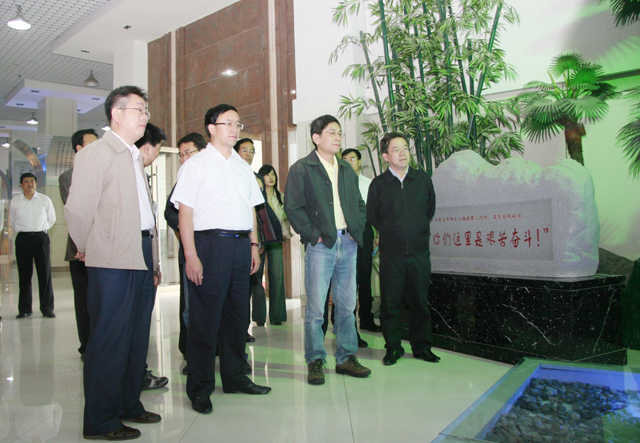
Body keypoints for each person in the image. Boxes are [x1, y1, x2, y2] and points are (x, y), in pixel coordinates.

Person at [65, 85, 161, 440]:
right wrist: (88, 246)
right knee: (109, 339)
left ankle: (128, 404)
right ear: (116, 114)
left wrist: (153, 259)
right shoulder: (97, 153)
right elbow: (78, 210)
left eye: (146, 110)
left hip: (140, 253)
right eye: (139, 109)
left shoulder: (133, 156)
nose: (145, 116)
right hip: (112, 258)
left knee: (135, 336)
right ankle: (101, 420)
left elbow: (143, 212)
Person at [171, 104, 271, 415]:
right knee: (205, 320)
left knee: (238, 317)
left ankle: (235, 377)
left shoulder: (243, 167)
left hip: (241, 246)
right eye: (228, 123)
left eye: (238, 123)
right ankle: (200, 388)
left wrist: (253, 245)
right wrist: (191, 256)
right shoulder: (195, 165)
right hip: (209, 245)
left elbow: (252, 209)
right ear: (211, 128)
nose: (235, 128)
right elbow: (184, 214)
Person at [284, 114, 371, 386]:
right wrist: (313, 235)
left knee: (346, 305)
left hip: (348, 243)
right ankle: (315, 360)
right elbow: (292, 207)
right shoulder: (302, 168)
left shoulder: (345, 169)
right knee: (316, 308)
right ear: (316, 137)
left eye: (339, 133)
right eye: (332, 132)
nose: (337, 137)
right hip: (321, 246)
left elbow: (359, 204)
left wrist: (356, 228)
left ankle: (346, 357)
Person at [366, 132, 440, 366]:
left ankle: (422, 346)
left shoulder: (422, 179)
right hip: (391, 255)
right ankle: (393, 348)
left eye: (405, 148)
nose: (403, 153)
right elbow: (373, 216)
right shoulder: (378, 184)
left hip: (419, 253)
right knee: (391, 303)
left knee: (420, 302)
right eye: (396, 149)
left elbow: (429, 210)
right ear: (385, 156)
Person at [164, 132, 207, 375]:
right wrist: (186, 226)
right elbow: (169, 213)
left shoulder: (214, 175)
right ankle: (193, 355)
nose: (183, 159)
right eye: (180, 155)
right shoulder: (183, 181)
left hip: (217, 250)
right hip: (192, 250)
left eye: (187, 153)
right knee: (191, 306)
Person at [134, 122, 170, 391]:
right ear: (148, 147)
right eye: (158, 150)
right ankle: (133, 375)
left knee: (141, 316)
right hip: (132, 248)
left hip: (145, 247)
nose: (155, 156)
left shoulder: (139, 171)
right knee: (134, 317)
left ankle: (138, 372)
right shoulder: (127, 169)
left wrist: (156, 264)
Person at [59, 129, 98, 357]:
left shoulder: (104, 172)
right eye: (92, 145)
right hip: (79, 249)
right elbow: (77, 212)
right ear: (79, 149)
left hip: (104, 249)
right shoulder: (67, 178)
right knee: (83, 300)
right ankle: (87, 346)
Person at [341, 148, 381, 333]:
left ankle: (366, 319)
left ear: (359, 162)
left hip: (365, 230)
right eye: (345, 159)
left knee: (365, 277)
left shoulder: (369, 183)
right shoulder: (337, 182)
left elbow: (376, 212)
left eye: (352, 159)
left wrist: (377, 234)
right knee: (346, 278)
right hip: (344, 230)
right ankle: (344, 322)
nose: (349, 162)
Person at [11, 172, 56, 319]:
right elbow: (13, 221)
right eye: (26, 181)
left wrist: (40, 230)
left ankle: (47, 308)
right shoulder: (15, 201)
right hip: (23, 240)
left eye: (32, 181)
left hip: (40, 239)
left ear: (36, 184)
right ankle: (25, 309)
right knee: (24, 275)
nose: (30, 184)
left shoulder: (44, 200)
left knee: (44, 274)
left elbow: (51, 219)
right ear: (21, 185)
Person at [256, 164, 291, 325]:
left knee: (277, 276)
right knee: (257, 278)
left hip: (276, 240)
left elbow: (286, 218)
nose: (271, 178)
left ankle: (277, 316)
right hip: (261, 240)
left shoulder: (281, 197)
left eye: (273, 175)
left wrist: (285, 233)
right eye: (267, 175)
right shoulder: (257, 196)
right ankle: (259, 317)